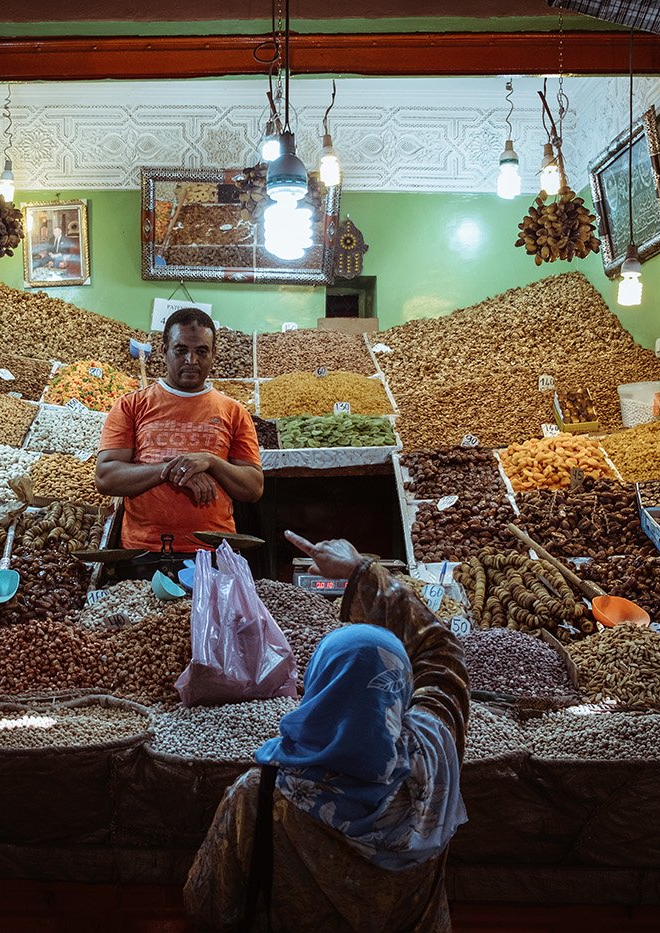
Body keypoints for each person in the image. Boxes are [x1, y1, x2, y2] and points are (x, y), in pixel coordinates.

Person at [184, 531, 469, 933]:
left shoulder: (259, 797)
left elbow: (208, 906)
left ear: (317, 691)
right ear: (400, 691)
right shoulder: (432, 759)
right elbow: (442, 659)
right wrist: (361, 572)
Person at [96, 307, 263, 554]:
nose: (191, 360)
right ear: (164, 351)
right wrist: (176, 469)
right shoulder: (131, 405)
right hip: (142, 552)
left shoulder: (234, 411)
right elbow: (106, 478)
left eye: (201, 351)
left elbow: (253, 488)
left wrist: (210, 462)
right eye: (181, 350)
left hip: (213, 551)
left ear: (214, 353)